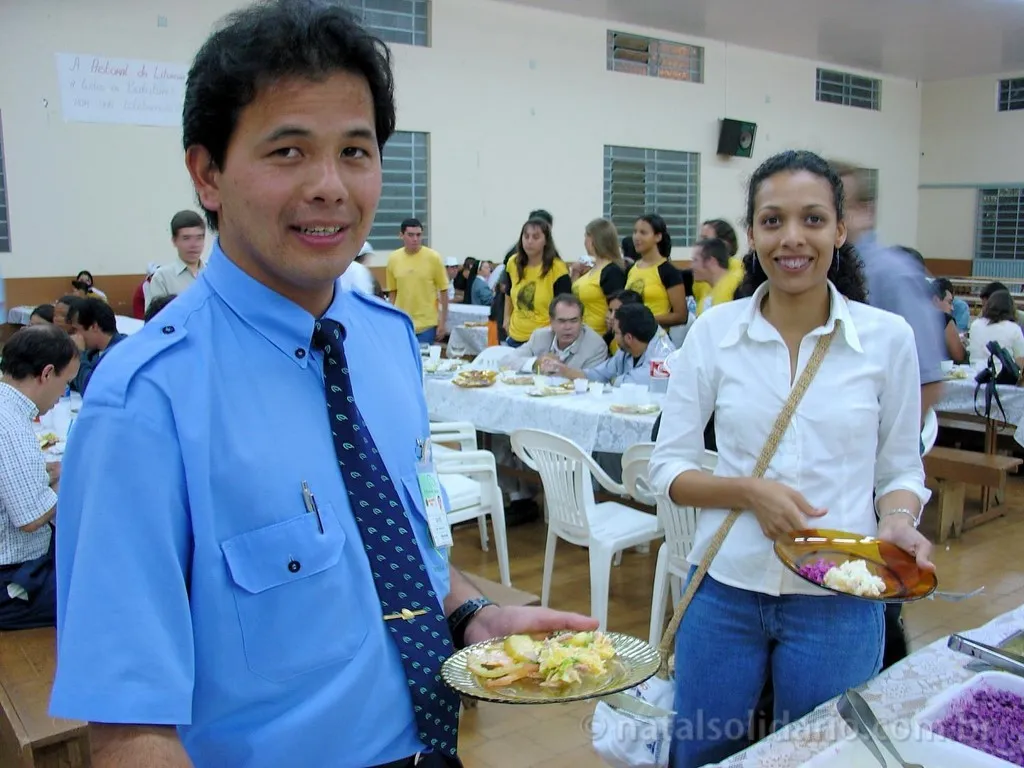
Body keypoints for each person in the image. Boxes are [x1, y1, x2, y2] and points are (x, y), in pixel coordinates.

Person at [49, 5, 595, 768]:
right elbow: (128, 726)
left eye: (355, 151)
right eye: (289, 151)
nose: (331, 186)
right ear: (207, 174)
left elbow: (400, 537)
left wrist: (469, 612)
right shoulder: (145, 403)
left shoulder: (386, 340)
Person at [649, 150, 933, 768]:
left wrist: (897, 520)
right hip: (724, 589)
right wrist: (748, 492)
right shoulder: (715, 333)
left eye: (813, 219)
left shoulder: (887, 339)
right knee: (702, 750)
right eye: (773, 221)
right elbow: (666, 468)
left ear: (840, 229)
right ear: (752, 235)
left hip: (839, 597)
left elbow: (899, 469)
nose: (792, 238)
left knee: (817, 756)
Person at [0, 325, 80, 630]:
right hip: (13, 580)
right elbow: (31, 518)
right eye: (65, 383)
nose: (61, 395)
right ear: (47, 373)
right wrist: (73, 480)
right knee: (109, 589)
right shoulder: (10, 424)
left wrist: (48, 475)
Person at [544, 303, 669, 387]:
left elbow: (627, 384)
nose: (614, 337)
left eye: (617, 333)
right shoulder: (627, 350)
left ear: (629, 338)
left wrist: (611, 380)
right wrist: (564, 370)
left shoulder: (663, 358)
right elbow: (599, 374)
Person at [503, 217, 571, 347]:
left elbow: (564, 306)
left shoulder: (557, 268)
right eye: (526, 236)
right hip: (515, 335)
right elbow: (508, 292)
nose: (529, 241)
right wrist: (506, 318)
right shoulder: (513, 263)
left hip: (544, 338)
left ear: (546, 241)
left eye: (536, 237)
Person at [626, 214, 688, 343]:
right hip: (629, 340)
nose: (637, 237)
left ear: (658, 237)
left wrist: (644, 321)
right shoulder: (632, 269)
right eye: (635, 232)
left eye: (643, 233)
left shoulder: (668, 271)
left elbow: (681, 316)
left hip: (655, 340)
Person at [385, 218, 450, 343]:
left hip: (427, 324)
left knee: (424, 356)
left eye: (418, 235)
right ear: (401, 235)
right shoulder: (393, 259)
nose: (415, 239)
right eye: (410, 235)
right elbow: (393, 293)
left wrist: (442, 323)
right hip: (402, 323)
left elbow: (444, 291)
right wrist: (390, 320)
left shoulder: (433, 258)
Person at [508, 294, 608, 372]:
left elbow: (591, 381)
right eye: (562, 321)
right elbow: (507, 361)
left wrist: (557, 368)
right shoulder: (539, 337)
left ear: (582, 321)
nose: (568, 327)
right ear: (551, 322)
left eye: (574, 321)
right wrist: (536, 363)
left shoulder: (596, 346)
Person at [572, 218, 627, 337]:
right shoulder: (592, 269)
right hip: (584, 336)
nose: (584, 241)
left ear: (593, 239)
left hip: (601, 337)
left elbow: (616, 308)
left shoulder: (611, 271)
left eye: (586, 236)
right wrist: (575, 274)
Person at [148, 210, 208, 310]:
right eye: (186, 238)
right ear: (174, 241)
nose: (194, 244)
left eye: (199, 238)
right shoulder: (162, 277)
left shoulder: (213, 273)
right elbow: (155, 317)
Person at [67, 298, 128, 395]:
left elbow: (92, 389)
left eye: (76, 329)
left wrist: (78, 354)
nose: (74, 335)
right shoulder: (93, 353)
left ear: (94, 327)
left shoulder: (123, 351)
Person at [969, 289, 1024, 367]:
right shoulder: (1014, 328)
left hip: (975, 371)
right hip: (1003, 372)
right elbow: (1021, 361)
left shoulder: (975, 324)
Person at [689, 237, 742, 316]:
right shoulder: (708, 293)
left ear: (711, 261)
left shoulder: (737, 291)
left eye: (695, 260)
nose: (691, 266)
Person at [931, 278, 966, 363]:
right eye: (949, 302)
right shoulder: (944, 319)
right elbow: (959, 357)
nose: (952, 308)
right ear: (936, 300)